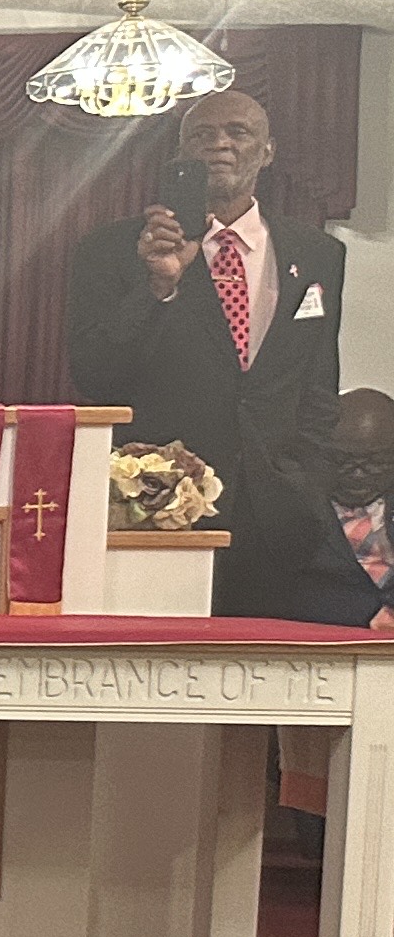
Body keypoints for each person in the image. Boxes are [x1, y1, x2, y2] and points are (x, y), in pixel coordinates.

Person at [62, 91, 344, 616]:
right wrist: (157, 287)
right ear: (181, 157)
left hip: (278, 514)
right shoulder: (112, 251)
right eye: (202, 135)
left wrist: (306, 477)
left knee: (267, 673)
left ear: (267, 151)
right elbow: (94, 376)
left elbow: (318, 381)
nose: (220, 144)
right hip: (155, 506)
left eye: (238, 132)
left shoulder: (318, 254)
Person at [260, 388, 394, 630]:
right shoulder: (291, 505)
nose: (358, 474)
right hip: (323, 640)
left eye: (375, 462)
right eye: (343, 461)